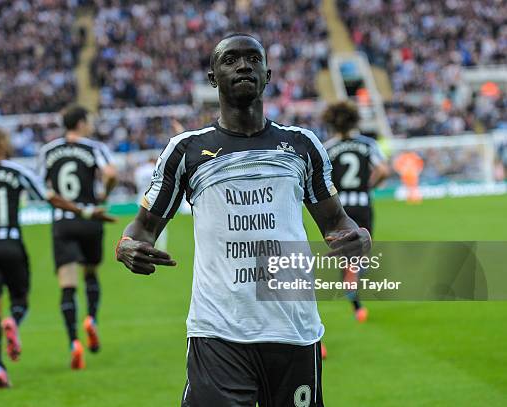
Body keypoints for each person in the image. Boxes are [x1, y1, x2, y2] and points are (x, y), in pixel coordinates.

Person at [116, 33, 371, 407]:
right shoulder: (185, 150)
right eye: (230, 59)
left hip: (293, 328)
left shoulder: (302, 145)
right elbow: (143, 227)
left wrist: (358, 236)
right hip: (218, 330)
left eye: (252, 58)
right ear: (212, 78)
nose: (243, 65)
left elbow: (336, 222)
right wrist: (125, 246)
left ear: (267, 75)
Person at [0, 128, 112, 388]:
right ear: (0, 142)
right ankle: (15, 321)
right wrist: (84, 211)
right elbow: (50, 198)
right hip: (11, 243)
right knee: (20, 300)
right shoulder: (17, 171)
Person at [38, 106, 118, 369]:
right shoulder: (94, 147)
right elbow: (111, 174)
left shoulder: (48, 151)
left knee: (67, 285)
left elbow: (41, 188)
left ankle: (73, 341)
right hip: (90, 219)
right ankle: (91, 318)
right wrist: (104, 195)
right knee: (91, 275)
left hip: (63, 222)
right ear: (81, 123)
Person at [322, 101, 390, 322]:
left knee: (345, 254)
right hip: (362, 204)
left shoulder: (328, 148)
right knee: (361, 247)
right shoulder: (367, 144)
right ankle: (357, 268)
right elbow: (382, 170)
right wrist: (368, 185)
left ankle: (357, 305)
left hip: (340, 207)